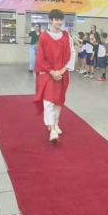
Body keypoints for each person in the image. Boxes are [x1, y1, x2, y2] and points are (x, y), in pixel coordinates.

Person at [34, 9, 72, 143]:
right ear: (51, 20)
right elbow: (40, 57)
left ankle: (55, 123)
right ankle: (52, 130)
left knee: (58, 100)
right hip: (47, 74)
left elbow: (72, 54)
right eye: (57, 19)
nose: (59, 22)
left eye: (61, 20)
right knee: (48, 101)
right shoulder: (44, 36)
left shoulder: (67, 36)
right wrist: (52, 72)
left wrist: (61, 71)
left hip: (62, 74)